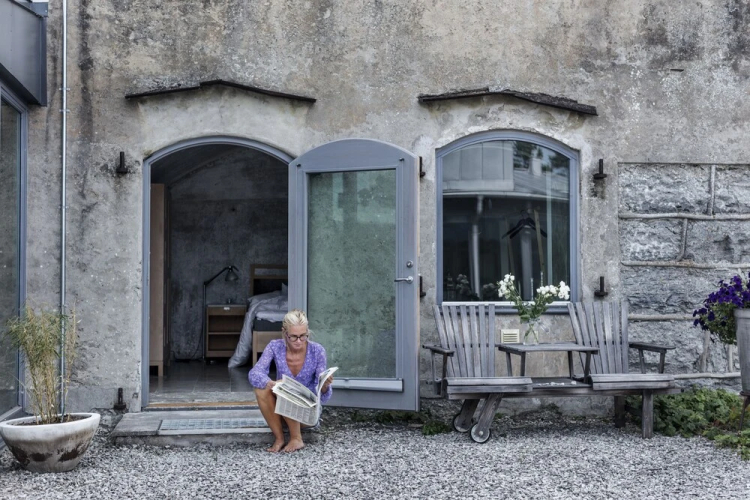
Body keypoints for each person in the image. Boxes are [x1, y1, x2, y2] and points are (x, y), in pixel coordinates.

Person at [248, 309, 333, 452]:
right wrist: (272, 384)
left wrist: (325, 385)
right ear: (284, 333)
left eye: (303, 336)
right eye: (293, 337)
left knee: (285, 388)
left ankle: (296, 438)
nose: (299, 341)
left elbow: (321, 393)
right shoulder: (275, 346)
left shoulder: (317, 351)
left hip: (307, 413)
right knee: (262, 388)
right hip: (282, 410)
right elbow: (255, 373)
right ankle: (279, 438)